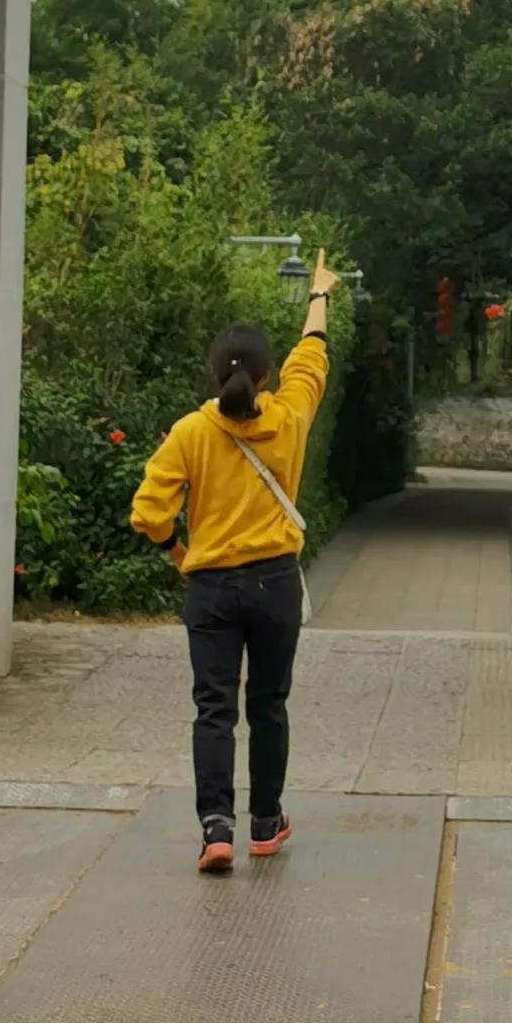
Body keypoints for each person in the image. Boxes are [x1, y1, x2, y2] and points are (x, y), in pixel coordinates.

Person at [128, 252, 336, 874]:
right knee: (269, 705)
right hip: (274, 584)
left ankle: (215, 827)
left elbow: (147, 510)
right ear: (268, 377)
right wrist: (319, 295)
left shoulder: (191, 432)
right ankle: (266, 823)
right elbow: (312, 357)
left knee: (214, 708)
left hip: (211, 588)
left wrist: (177, 552)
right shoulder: (291, 415)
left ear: (213, 377)